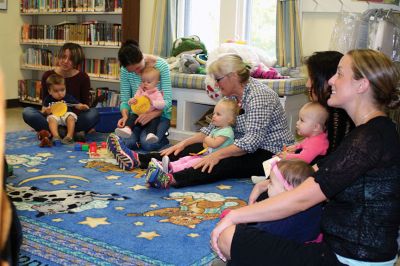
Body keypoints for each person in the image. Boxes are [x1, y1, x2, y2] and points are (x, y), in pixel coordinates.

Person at [210, 49, 400, 266]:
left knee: (230, 236)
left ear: (361, 85)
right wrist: (270, 182)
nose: (331, 80)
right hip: (345, 250)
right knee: (265, 207)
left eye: (339, 74)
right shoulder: (373, 131)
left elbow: (303, 199)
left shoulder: (369, 137)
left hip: (347, 259)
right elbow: (325, 170)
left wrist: (237, 215)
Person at [108, 54, 294, 187]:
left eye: (218, 79)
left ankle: (173, 179)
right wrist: (182, 143)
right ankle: (140, 159)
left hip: (269, 153)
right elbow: (211, 129)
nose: (216, 83)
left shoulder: (259, 96)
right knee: (196, 148)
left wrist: (217, 154)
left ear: (233, 77)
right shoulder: (232, 96)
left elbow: (250, 143)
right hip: (238, 142)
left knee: (220, 161)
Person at [146, 98, 239, 188]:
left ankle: (171, 170)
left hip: (215, 159)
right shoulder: (217, 129)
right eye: (214, 113)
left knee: (191, 164)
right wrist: (207, 141)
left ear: (229, 119)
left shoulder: (227, 132)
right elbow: (207, 144)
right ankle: (169, 166)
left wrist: (206, 139)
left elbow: (214, 144)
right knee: (186, 159)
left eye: (218, 114)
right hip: (206, 155)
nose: (213, 116)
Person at [22, 42, 99, 141]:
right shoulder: (47, 75)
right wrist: (45, 112)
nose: (66, 61)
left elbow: (85, 105)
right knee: (27, 112)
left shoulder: (83, 77)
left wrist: (79, 111)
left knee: (94, 113)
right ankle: (68, 133)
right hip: (52, 118)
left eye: (71, 59)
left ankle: (60, 132)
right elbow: (45, 102)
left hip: (72, 118)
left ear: (76, 61)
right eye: (63, 57)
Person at [114, 39, 172, 152]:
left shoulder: (161, 66)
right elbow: (125, 100)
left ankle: (162, 141)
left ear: (141, 56)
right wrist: (125, 116)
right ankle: (139, 137)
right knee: (127, 142)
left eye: (138, 68)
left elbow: (168, 101)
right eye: (132, 71)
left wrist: (152, 114)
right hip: (136, 115)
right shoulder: (125, 70)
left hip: (160, 117)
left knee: (148, 144)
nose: (136, 73)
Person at [304, 51, 354, 154]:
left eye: (311, 78)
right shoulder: (328, 111)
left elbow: (331, 161)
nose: (307, 84)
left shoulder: (338, 116)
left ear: (327, 80)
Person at [115, 67, 165, 144]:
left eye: (148, 82)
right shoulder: (140, 91)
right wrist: (131, 101)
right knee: (132, 116)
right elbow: (135, 98)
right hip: (138, 115)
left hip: (150, 116)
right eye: (143, 81)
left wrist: (153, 102)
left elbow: (162, 105)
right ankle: (127, 129)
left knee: (155, 121)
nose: (145, 84)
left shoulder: (157, 93)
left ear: (156, 83)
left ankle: (150, 134)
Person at [42, 74, 89, 145]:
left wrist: (82, 106)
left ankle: (69, 137)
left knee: (71, 117)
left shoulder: (68, 97)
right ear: (49, 91)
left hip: (66, 115)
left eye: (62, 90)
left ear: (65, 88)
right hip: (55, 116)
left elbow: (77, 105)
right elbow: (43, 110)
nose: (60, 93)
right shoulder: (48, 99)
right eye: (56, 91)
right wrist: (46, 111)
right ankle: (56, 137)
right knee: (51, 119)